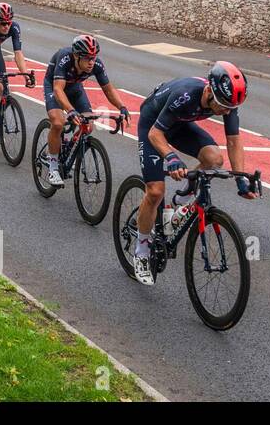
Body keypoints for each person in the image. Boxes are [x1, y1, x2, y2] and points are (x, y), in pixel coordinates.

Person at [130, 62, 256, 285]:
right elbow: (156, 134)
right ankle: (141, 251)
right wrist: (171, 157)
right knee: (156, 192)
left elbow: (234, 141)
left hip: (179, 125)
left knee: (214, 159)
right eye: (222, 106)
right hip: (153, 127)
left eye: (230, 108)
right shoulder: (186, 95)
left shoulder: (227, 102)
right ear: (209, 91)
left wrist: (241, 179)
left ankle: (182, 199)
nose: (226, 111)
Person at [42, 34, 131, 186]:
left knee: (88, 126)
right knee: (58, 123)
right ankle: (53, 166)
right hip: (55, 86)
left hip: (75, 88)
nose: (92, 62)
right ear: (76, 56)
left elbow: (109, 90)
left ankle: (67, 147)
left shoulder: (96, 65)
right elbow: (58, 89)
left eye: (94, 57)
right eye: (87, 58)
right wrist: (70, 110)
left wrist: (122, 108)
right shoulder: (65, 58)